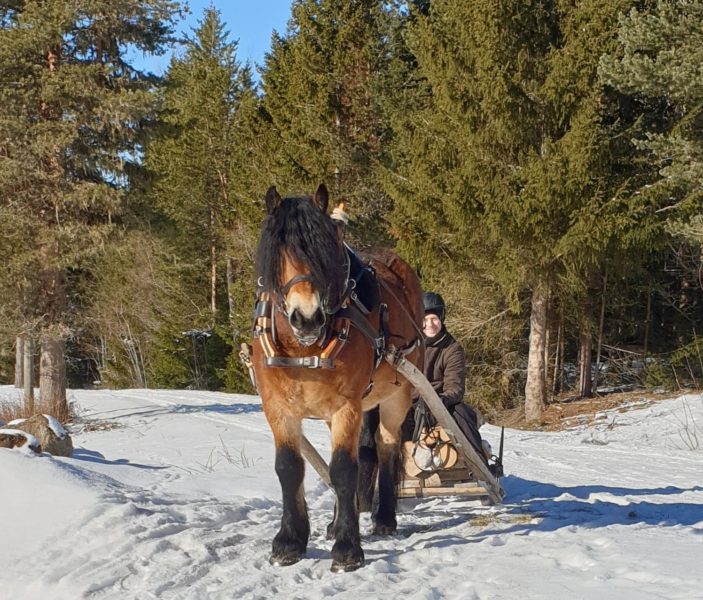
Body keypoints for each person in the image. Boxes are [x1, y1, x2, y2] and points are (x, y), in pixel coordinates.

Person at [403, 291, 491, 469]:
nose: (430, 324)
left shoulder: (452, 349)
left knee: (462, 412)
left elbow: (455, 387)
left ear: (441, 318)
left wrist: (436, 402)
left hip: (441, 404)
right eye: (425, 320)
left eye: (434, 319)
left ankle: (479, 465)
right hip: (410, 404)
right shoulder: (409, 345)